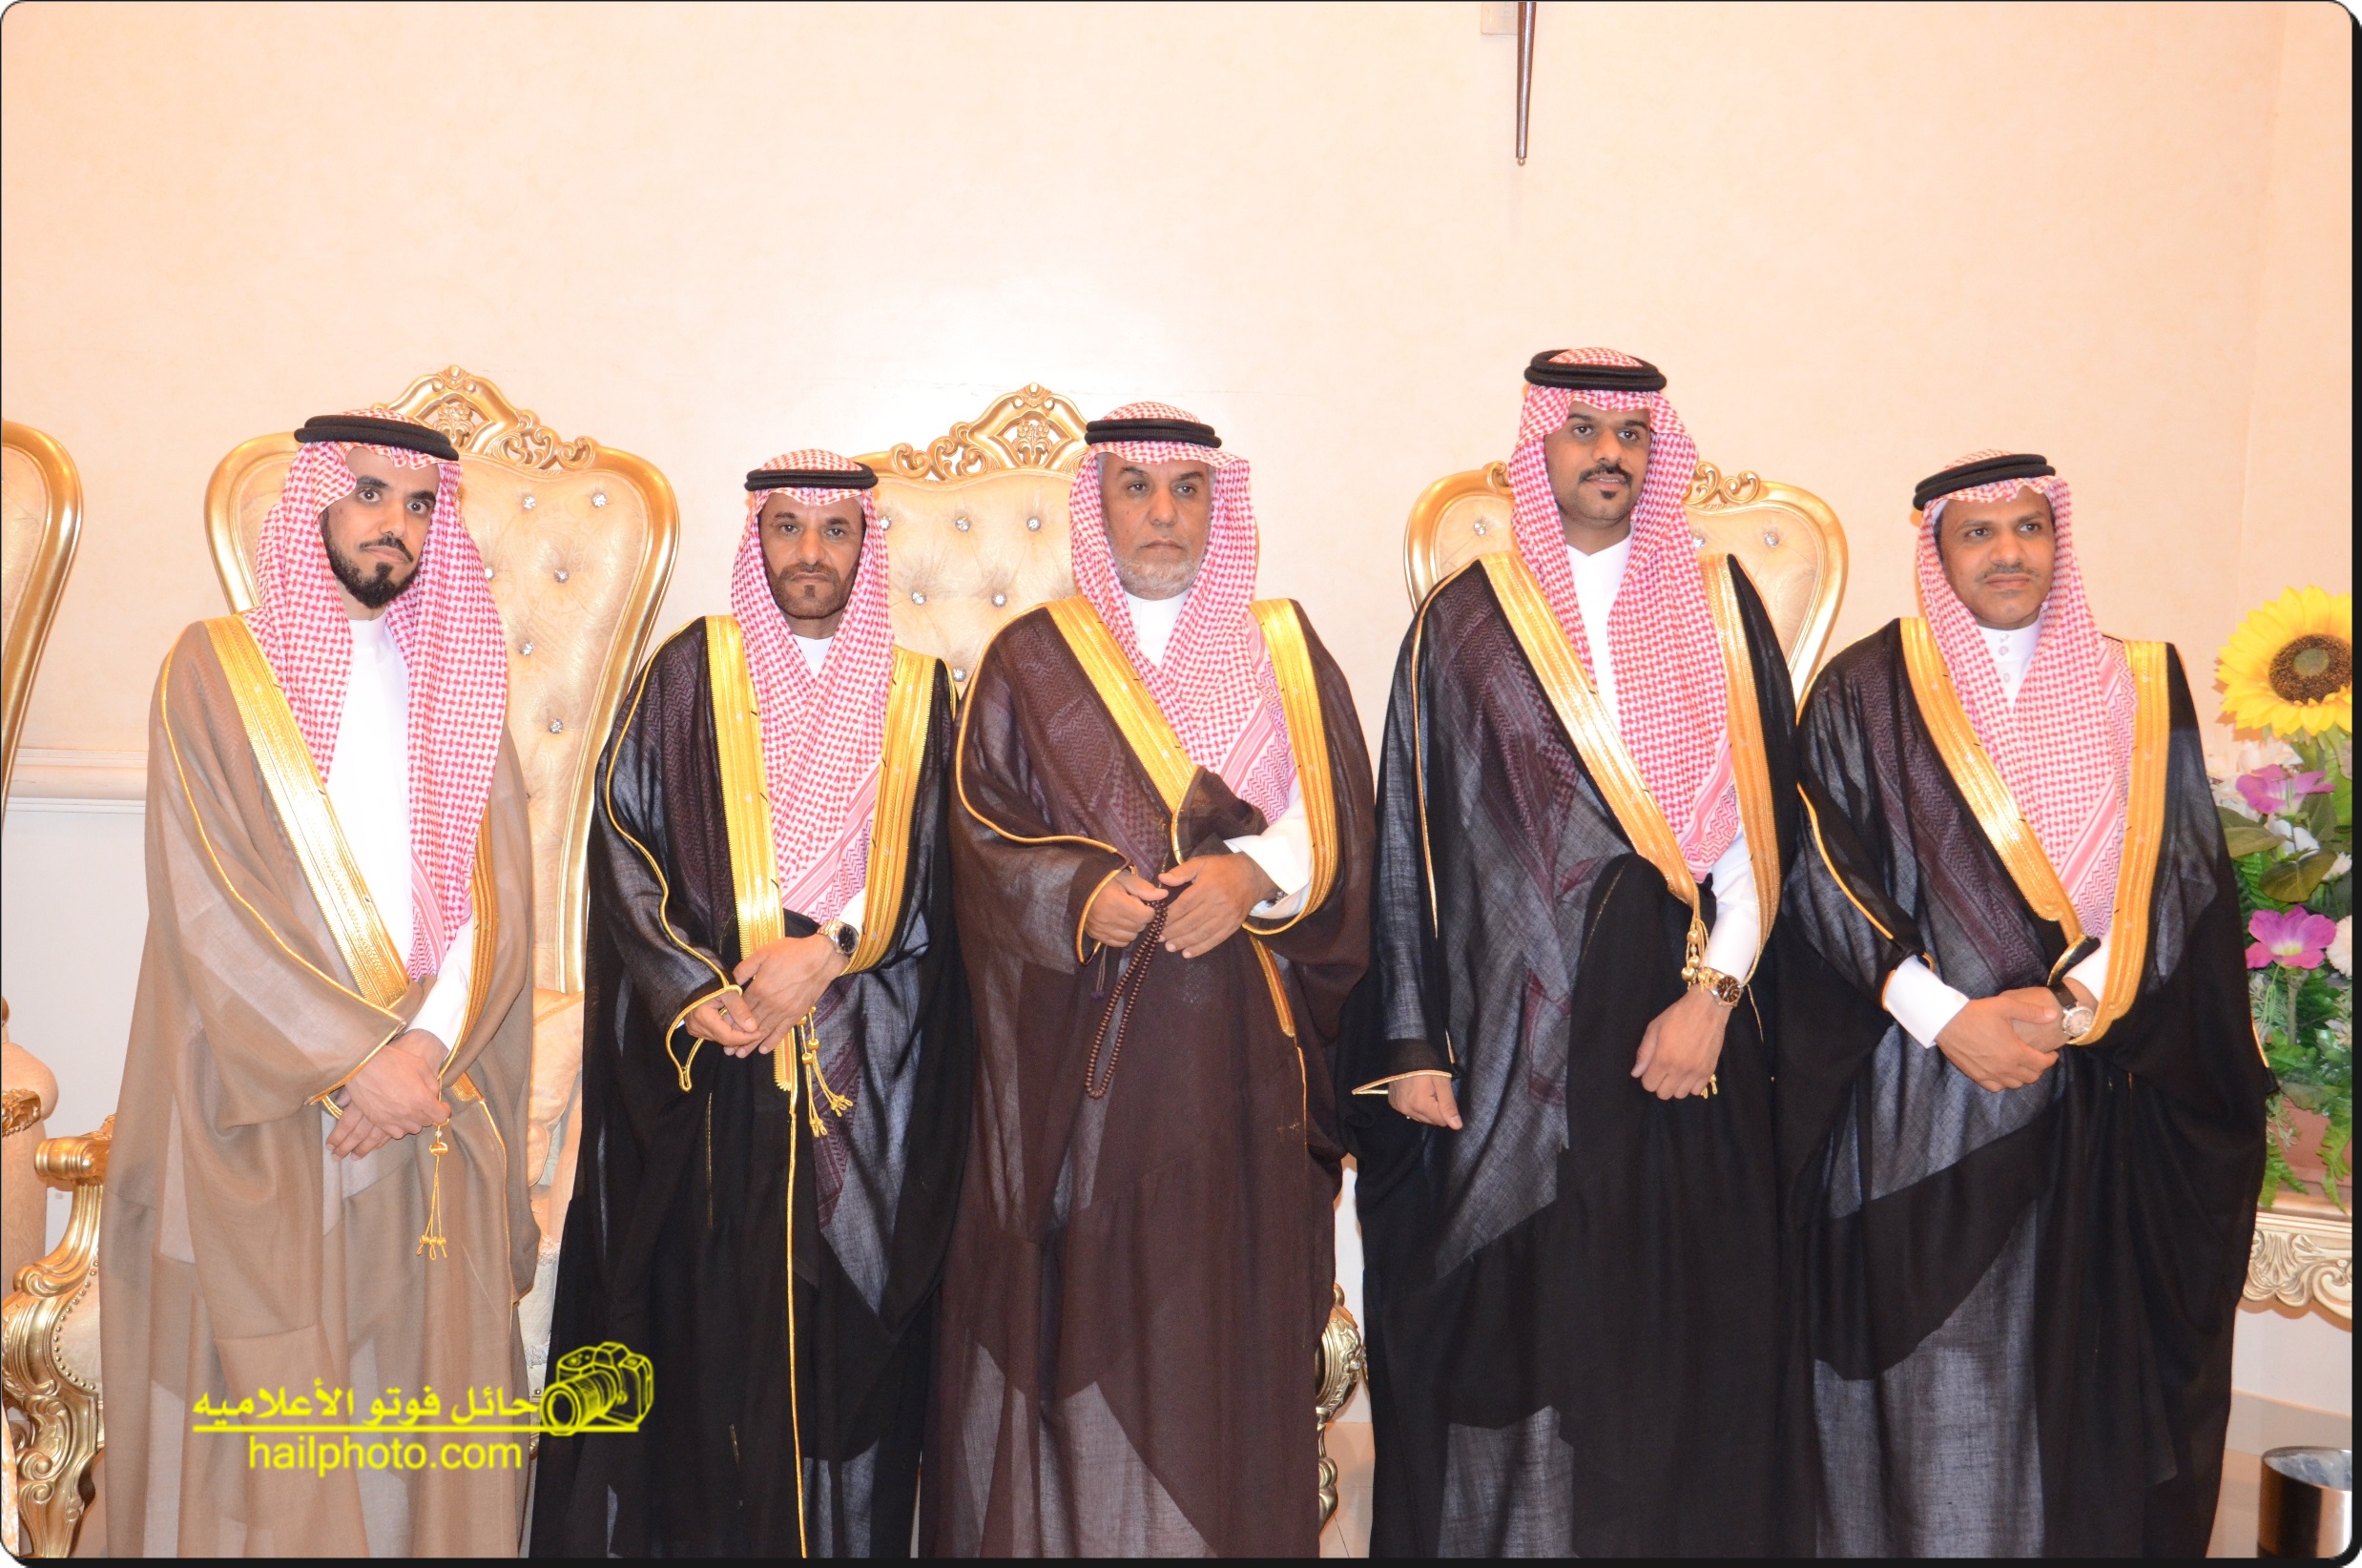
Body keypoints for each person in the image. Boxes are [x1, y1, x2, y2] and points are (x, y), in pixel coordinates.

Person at [1774, 450, 2269, 1556]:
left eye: (2028, 527)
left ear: (2059, 540)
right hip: (1919, 1090)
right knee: (1936, 1372)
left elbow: (2182, 870)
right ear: (1936, 551)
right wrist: (1944, 1016)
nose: (2007, 552)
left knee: (2083, 1372)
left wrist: (2081, 1003)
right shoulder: (1865, 689)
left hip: (2104, 1082)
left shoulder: (2142, 681)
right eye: (1977, 532)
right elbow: (1817, 870)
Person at [1347, 350, 1796, 1556]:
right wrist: (1413, 1044)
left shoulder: (1720, 606)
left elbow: (1764, 833)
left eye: (1630, 434)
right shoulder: (1465, 620)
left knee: (1673, 1326)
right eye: (1583, 429)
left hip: (1682, 1027)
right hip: (1510, 1036)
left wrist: (1712, 997)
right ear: (1537, 446)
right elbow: (1412, 842)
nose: (1608, 453)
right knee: (1518, 1318)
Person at [927, 403, 1374, 1557]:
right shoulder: (1031, 657)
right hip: (1082, 1081)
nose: (1162, 514)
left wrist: (1251, 873)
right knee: (1083, 1333)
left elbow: (1343, 818)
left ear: (1219, 506)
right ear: (1100, 505)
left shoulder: (1283, 645)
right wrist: (1078, 893)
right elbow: (977, 835)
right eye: (1135, 488)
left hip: (1240, 1078)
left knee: (1220, 1339)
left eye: (1186, 491)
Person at [101, 410, 535, 1556]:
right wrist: (351, 1062)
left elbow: (496, 902)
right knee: (272, 1435)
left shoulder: (458, 679)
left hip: (429, 1096)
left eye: (419, 505)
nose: (394, 525)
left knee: (412, 1422)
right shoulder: (213, 669)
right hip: (262, 1100)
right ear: (313, 506)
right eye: (369, 494)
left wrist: (422, 1053)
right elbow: (206, 899)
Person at [529, 451, 966, 1558]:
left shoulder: (922, 692)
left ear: (865, 545)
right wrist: (693, 993)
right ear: (756, 537)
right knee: (710, 1347)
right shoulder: (690, 671)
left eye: (834, 530)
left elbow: (943, 867)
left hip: (872, 1069)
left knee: (853, 1352)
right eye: (787, 527)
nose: (810, 552)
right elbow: (623, 848)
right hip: (718, 1073)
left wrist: (829, 954)